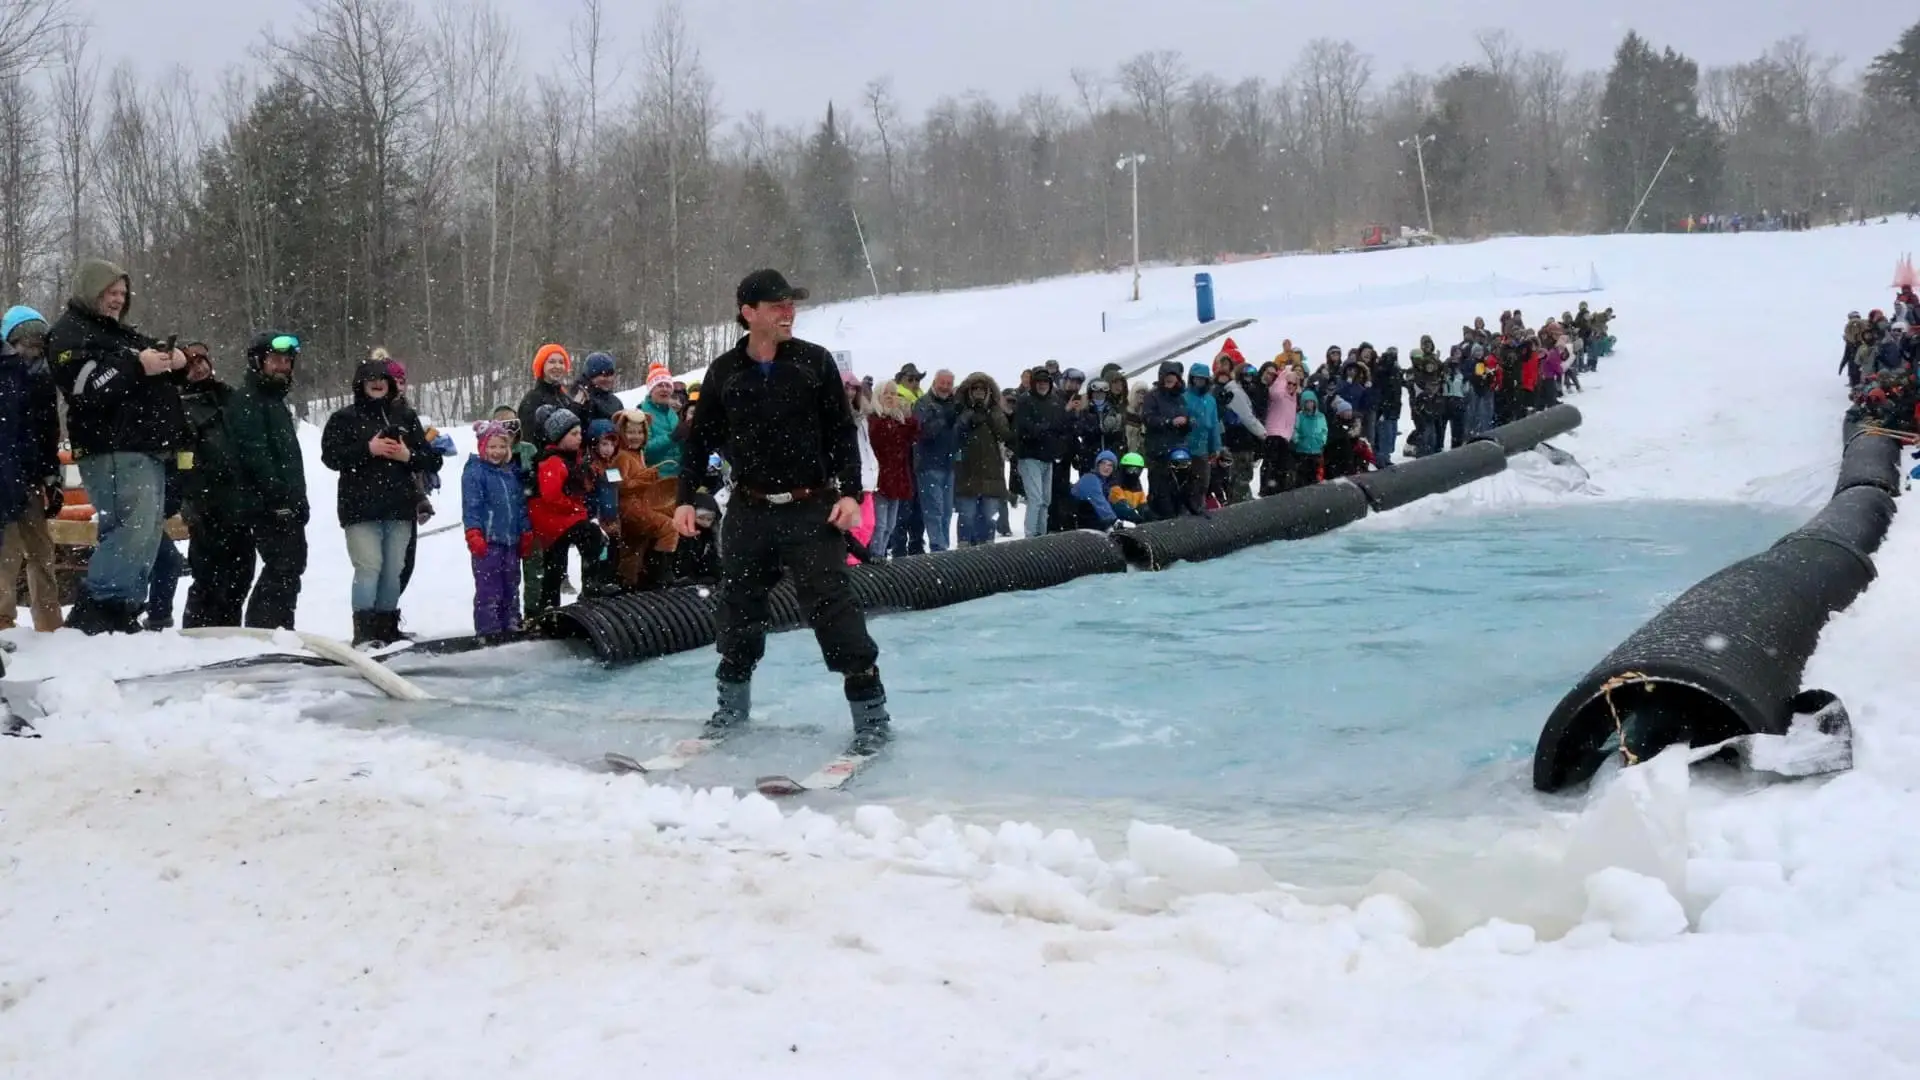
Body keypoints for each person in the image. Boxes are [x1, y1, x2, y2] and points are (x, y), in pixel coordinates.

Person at [676, 269, 892, 755]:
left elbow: (842, 433)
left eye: (791, 304)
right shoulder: (724, 372)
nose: (788, 312)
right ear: (748, 313)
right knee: (738, 609)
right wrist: (685, 498)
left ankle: (871, 717)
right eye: (777, 305)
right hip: (750, 510)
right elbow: (698, 442)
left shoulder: (813, 363)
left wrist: (851, 493)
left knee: (833, 609)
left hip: (810, 507)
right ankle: (731, 710)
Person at [47, 258, 188, 634]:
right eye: (111, 292)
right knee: (128, 531)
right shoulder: (69, 333)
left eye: (123, 294)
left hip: (142, 447)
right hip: (112, 447)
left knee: (142, 534)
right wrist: (137, 366)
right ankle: (100, 611)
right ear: (91, 291)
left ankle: (122, 609)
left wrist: (176, 359)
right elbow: (83, 387)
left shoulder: (118, 332)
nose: (117, 300)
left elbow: (143, 358)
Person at [181, 332, 308, 630]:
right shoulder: (183, 408)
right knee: (212, 578)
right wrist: (193, 500)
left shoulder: (230, 396)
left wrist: (293, 497)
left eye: (202, 361)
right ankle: (205, 638)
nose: (198, 368)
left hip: (237, 505)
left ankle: (238, 636)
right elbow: (251, 453)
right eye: (189, 364)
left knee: (239, 576)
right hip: (210, 505)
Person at [320, 358, 441, 647]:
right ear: (360, 384)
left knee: (394, 568)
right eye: (370, 378)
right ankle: (363, 632)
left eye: (382, 378)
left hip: (399, 507)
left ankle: (387, 627)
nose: (377, 383)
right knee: (369, 567)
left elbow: (432, 459)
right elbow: (330, 457)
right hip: (360, 508)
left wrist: (407, 456)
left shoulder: (405, 416)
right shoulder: (343, 418)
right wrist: (367, 449)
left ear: (390, 384)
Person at [0, 307, 61, 633]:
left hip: (31, 478)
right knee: (6, 556)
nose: (32, 350)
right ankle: (3, 623)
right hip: (5, 477)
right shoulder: (7, 374)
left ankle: (49, 623)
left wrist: (52, 476)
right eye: (26, 343)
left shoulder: (42, 379)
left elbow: (47, 432)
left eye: (38, 344)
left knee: (42, 552)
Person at [462, 420, 531, 639]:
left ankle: (511, 623)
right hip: (488, 542)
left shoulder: (511, 473)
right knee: (489, 588)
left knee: (511, 584)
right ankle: (488, 629)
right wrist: (474, 532)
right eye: (492, 447)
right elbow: (471, 505)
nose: (497, 452)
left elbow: (519, 505)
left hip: (511, 540)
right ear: (482, 447)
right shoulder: (475, 473)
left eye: (502, 447)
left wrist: (525, 531)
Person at [953, 373, 1011, 547]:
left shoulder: (995, 412)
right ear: (969, 391)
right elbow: (955, 435)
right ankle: (963, 554)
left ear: (988, 392)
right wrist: (968, 416)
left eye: (982, 389)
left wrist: (990, 415)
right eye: (975, 388)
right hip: (966, 473)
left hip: (991, 474)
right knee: (967, 517)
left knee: (988, 517)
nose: (978, 392)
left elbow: (1005, 434)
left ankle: (988, 555)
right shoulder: (960, 411)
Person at [913, 369, 961, 552]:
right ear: (935, 382)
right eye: (943, 383)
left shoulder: (954, 404)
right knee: (934, 511)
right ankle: (938, 548)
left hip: (949, 465)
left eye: (949, 384)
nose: (946, 387)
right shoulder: (923, 403)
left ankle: (943, 547)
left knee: (947, 512)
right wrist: (944, 419)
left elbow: (959, 433)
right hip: (928, 465)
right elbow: (923, 432)